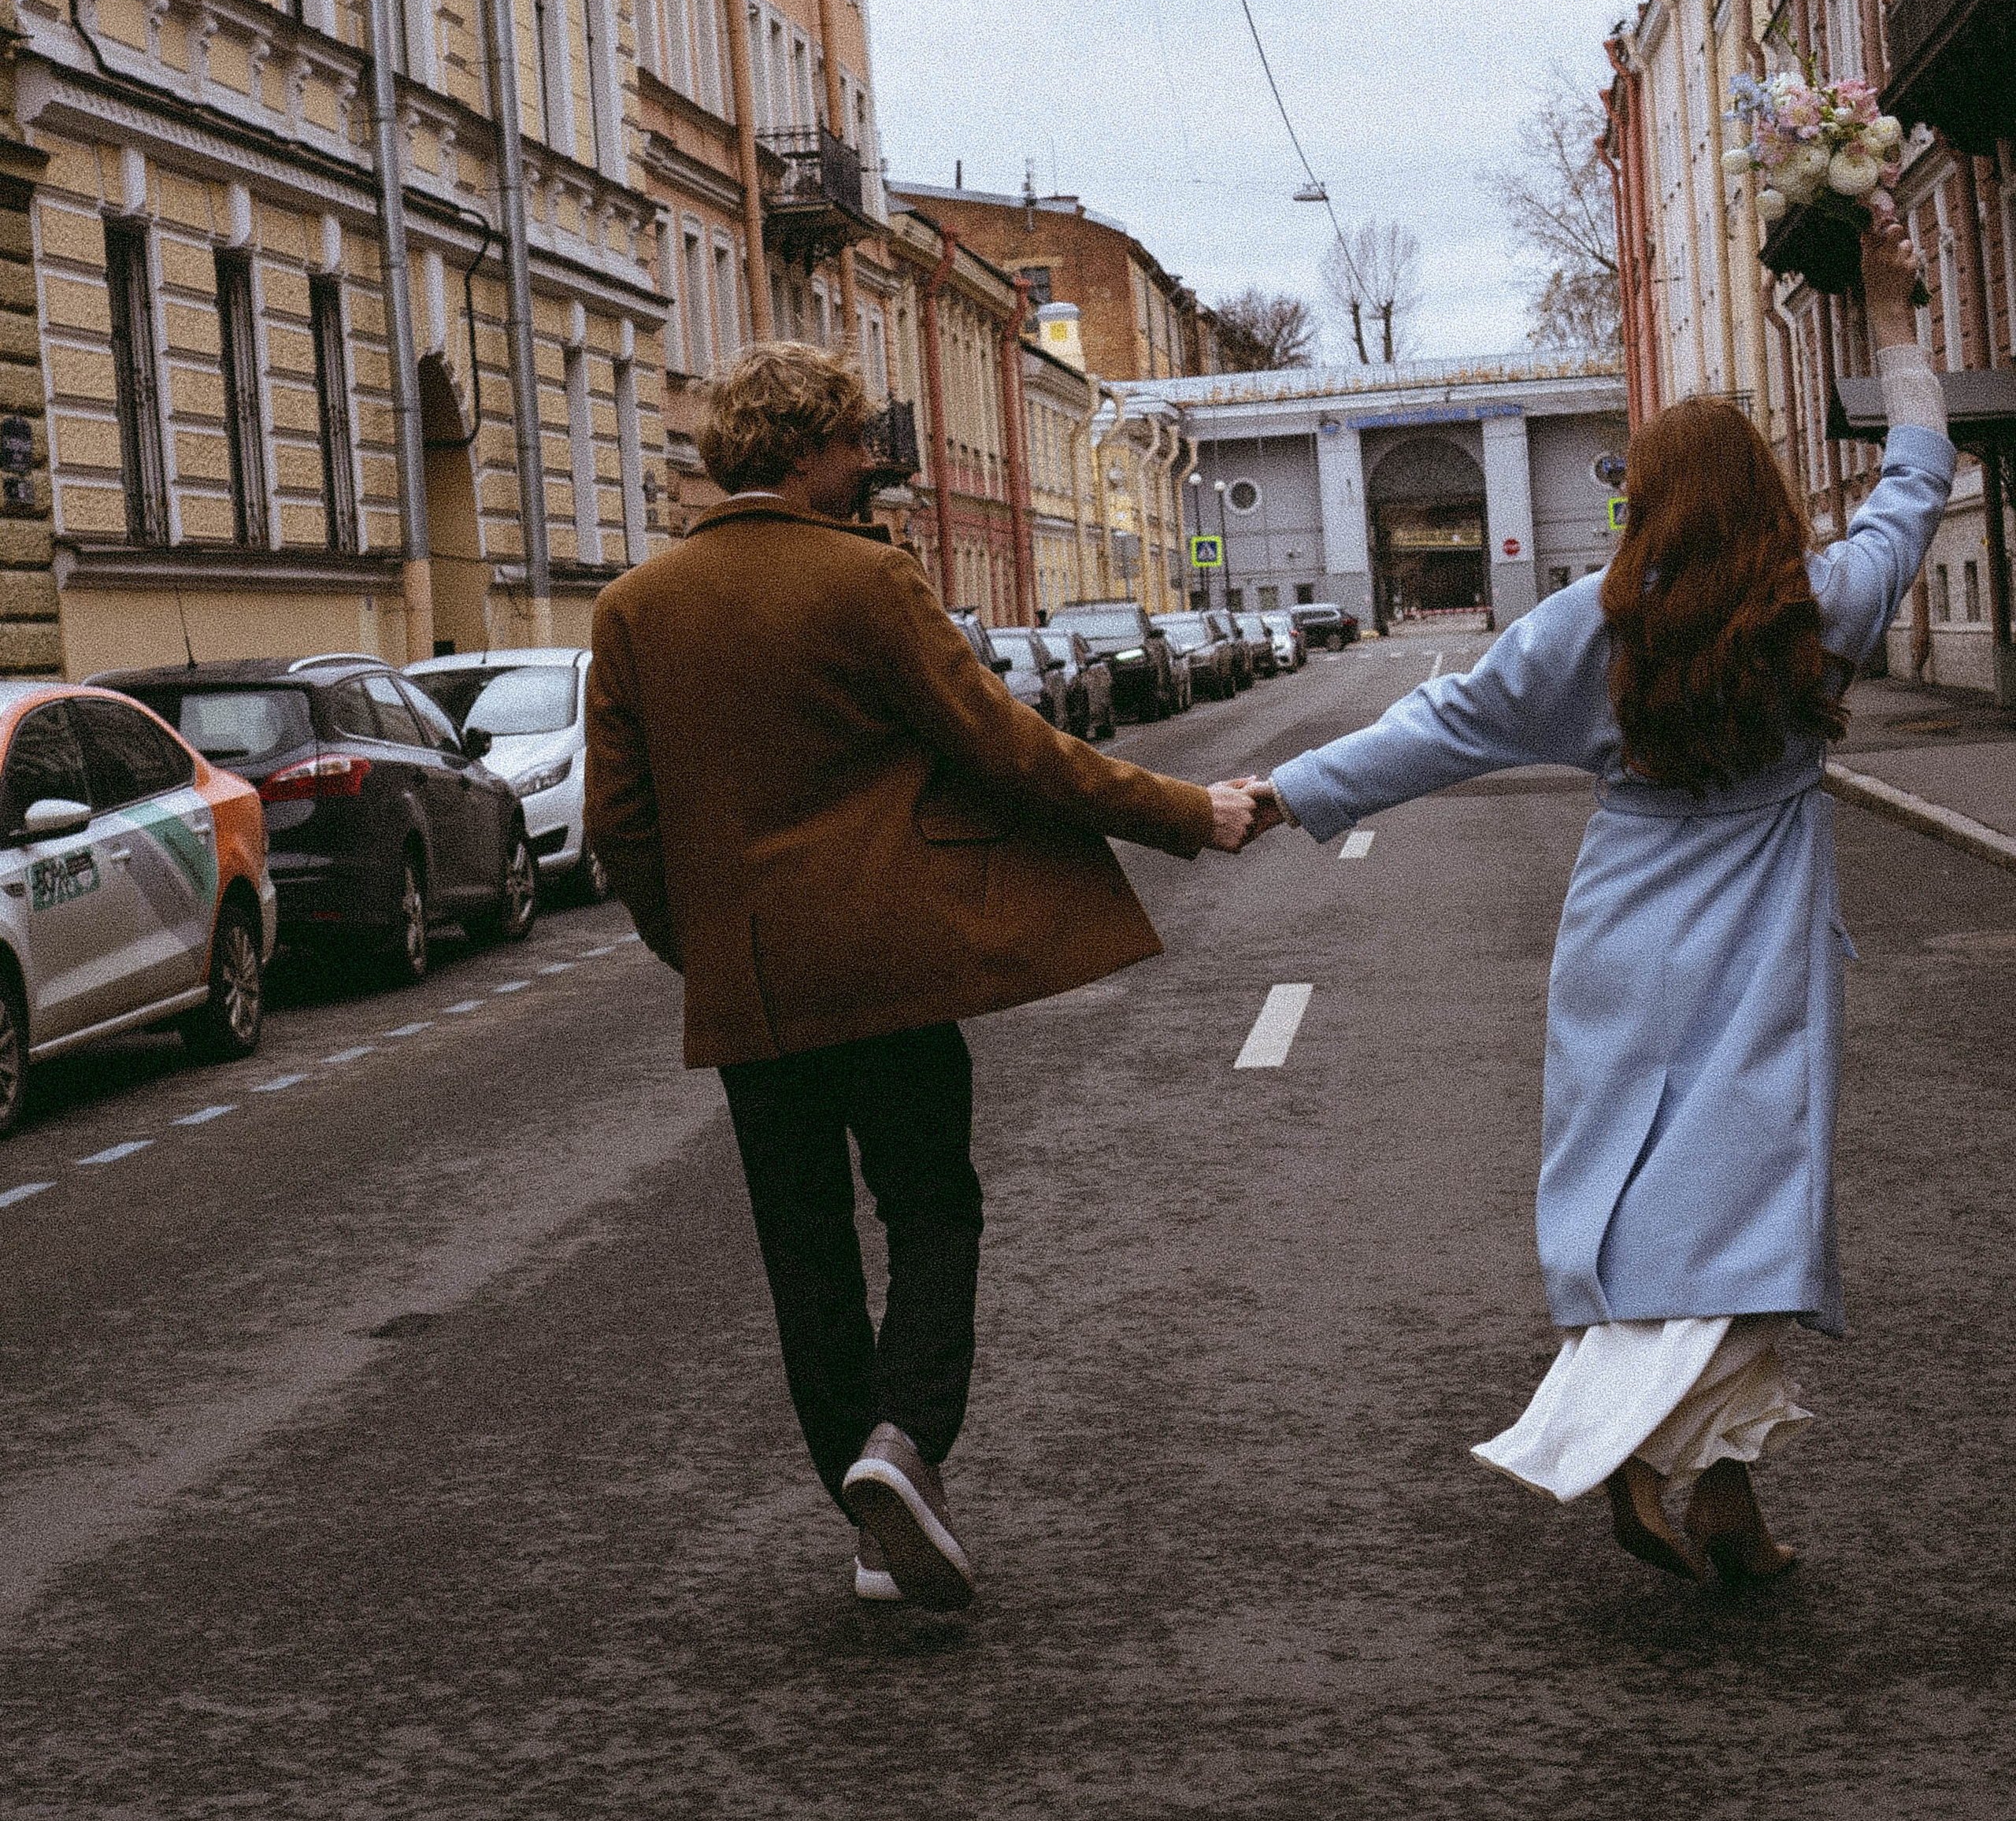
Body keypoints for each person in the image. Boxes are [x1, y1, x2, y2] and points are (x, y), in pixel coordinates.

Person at [1241, 219, 1952, 1586]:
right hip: (1763, 932)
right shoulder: (1826, 603)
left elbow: (1440, 726)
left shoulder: (1592, 626)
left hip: (1625, 927)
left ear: (1647, 502)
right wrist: (1889, 316)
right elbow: (1917, 476)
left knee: (1635, 1206)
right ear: (1765, 499)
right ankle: (1682, 1468)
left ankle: (1698, 1485)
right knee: (1753, 1203)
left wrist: (1287, 791)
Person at [584, 342, 1257, 1612]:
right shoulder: (869, 582)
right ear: (807, 448)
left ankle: (861, 1483)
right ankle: (905, 1441)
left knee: (804, 1247)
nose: (868, 464)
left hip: (753, 989)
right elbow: (1012, 752)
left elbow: (622, 823)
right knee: (933, 1209)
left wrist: (701, 946)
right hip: (893, 970)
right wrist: (1183, 812)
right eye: (853, 443)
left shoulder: (633, 608)